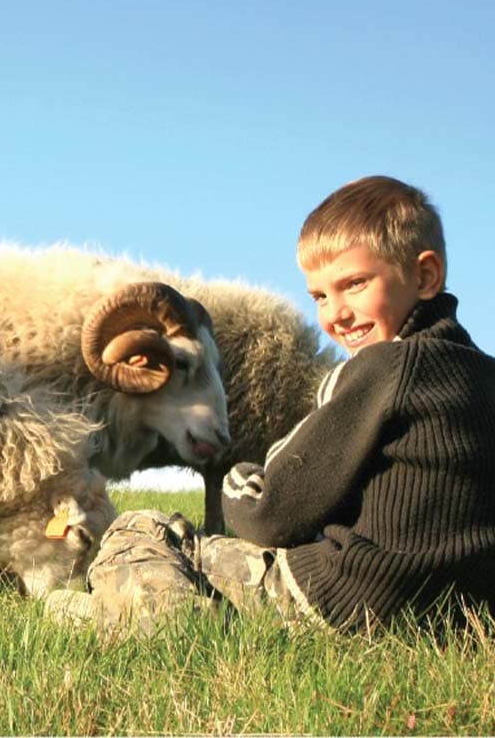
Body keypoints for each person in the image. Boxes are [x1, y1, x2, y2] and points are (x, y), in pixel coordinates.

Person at [46, 175, 495, 634]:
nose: (335, 313)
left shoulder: (383, 369)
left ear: (425, 276)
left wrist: (241, 483)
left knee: (142, 529)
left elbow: (275, 515)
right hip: (463, 611)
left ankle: (153, 619)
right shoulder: (484, 374)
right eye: (320, 296)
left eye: (355, 284)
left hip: (346, 598)